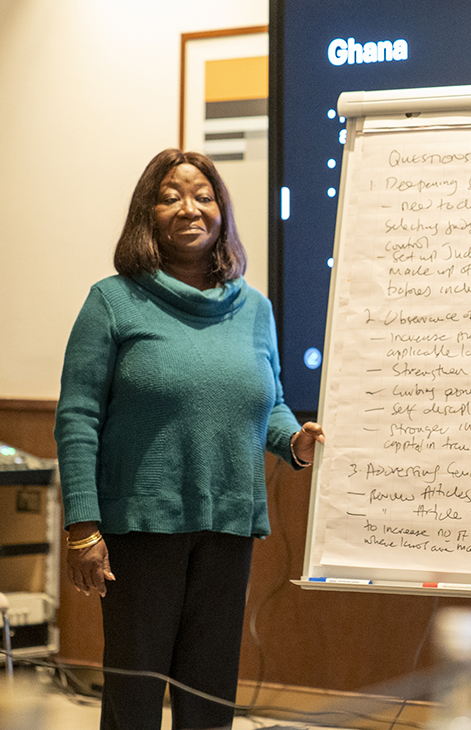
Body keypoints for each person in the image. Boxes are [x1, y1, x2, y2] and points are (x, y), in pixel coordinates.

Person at [54, 149, 325, 730]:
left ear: (222, 213)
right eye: (171, 195)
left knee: (210, 697)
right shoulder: (113, 301)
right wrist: (82, 527)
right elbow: (77, 417)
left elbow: (269, 403)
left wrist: (294, 443)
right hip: (140, 528)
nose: (189, 208)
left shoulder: (254, 308)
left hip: (227, 525)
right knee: (136, 698)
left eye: (204, 196)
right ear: (147, 214)